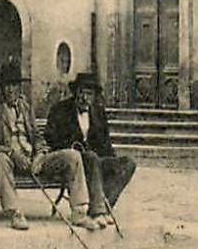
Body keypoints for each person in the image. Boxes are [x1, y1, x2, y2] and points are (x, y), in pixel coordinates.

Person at [0, 61, 101, 231]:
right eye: (7, 85)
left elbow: (36, 136)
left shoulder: (25, 107)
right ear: (1, 87)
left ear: (19, 87)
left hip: (32, 160)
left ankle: (79, 211)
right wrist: (12, 153)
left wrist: (40, 154)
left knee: (73, 156)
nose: (10, 90)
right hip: (8, 161)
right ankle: (15, 212)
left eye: (14, 85)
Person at [46, 71, 134, 223]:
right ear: (75, 92)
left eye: (89, 94)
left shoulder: (98, 113)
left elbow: (105, 142)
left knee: (128, 164)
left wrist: (112, 161)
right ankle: (97, 211)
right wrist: (73, 148)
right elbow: (51, 139)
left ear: (94, 96)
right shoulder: (60, 110)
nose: (84, 98)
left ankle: (105, 207)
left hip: (96, 161)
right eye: (81, 92)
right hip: (76, 161)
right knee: (91, 157)